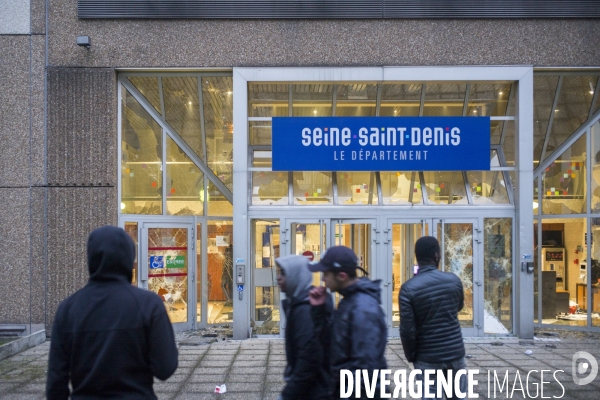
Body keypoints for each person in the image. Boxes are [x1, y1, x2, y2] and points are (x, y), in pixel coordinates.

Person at [46, 226, 178, 400]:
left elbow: (56, 383)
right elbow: (165, 368)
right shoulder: (149, 305)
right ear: (129, 258)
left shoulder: (68, 309)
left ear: (91, 258)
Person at [307, 246, 388, 399]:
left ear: (342, 276)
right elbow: (333, 345)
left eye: (326, 274)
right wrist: (319, 311)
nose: (323, 279)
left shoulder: (362, 309)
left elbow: (366, 371)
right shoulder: (349, 301)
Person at [399, 236, 467, 400]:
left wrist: (411, 355)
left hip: (427, 357)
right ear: (436, 256)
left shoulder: (408, 289)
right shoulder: (454, 281)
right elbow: (458, 307)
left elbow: (408, 330)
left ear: (417, 257)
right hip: (455, 353)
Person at [276, 255, 332, 400]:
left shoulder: (304, 309)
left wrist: (288, 394)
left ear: (296, 275)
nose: (278, 278)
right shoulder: (301, 304)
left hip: (314, 391)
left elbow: (309, 358)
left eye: (283, 273)